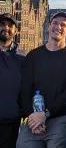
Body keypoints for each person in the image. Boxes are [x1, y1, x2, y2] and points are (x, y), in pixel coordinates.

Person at [17, 12, 66, 148]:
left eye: (63, 25)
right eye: (55, 23)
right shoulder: (33, 56)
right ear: (49, 26)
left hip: (59, 119)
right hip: (33, 119)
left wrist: (46, 114)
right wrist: (32, 116)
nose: (58, 27)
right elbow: (25, 89)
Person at [0, 13, 25, 148]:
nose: (6, 28)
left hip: (11, 120)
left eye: (10, 25)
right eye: (2, 24)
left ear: (16, 31)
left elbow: (28, 87)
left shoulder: (24, 57)